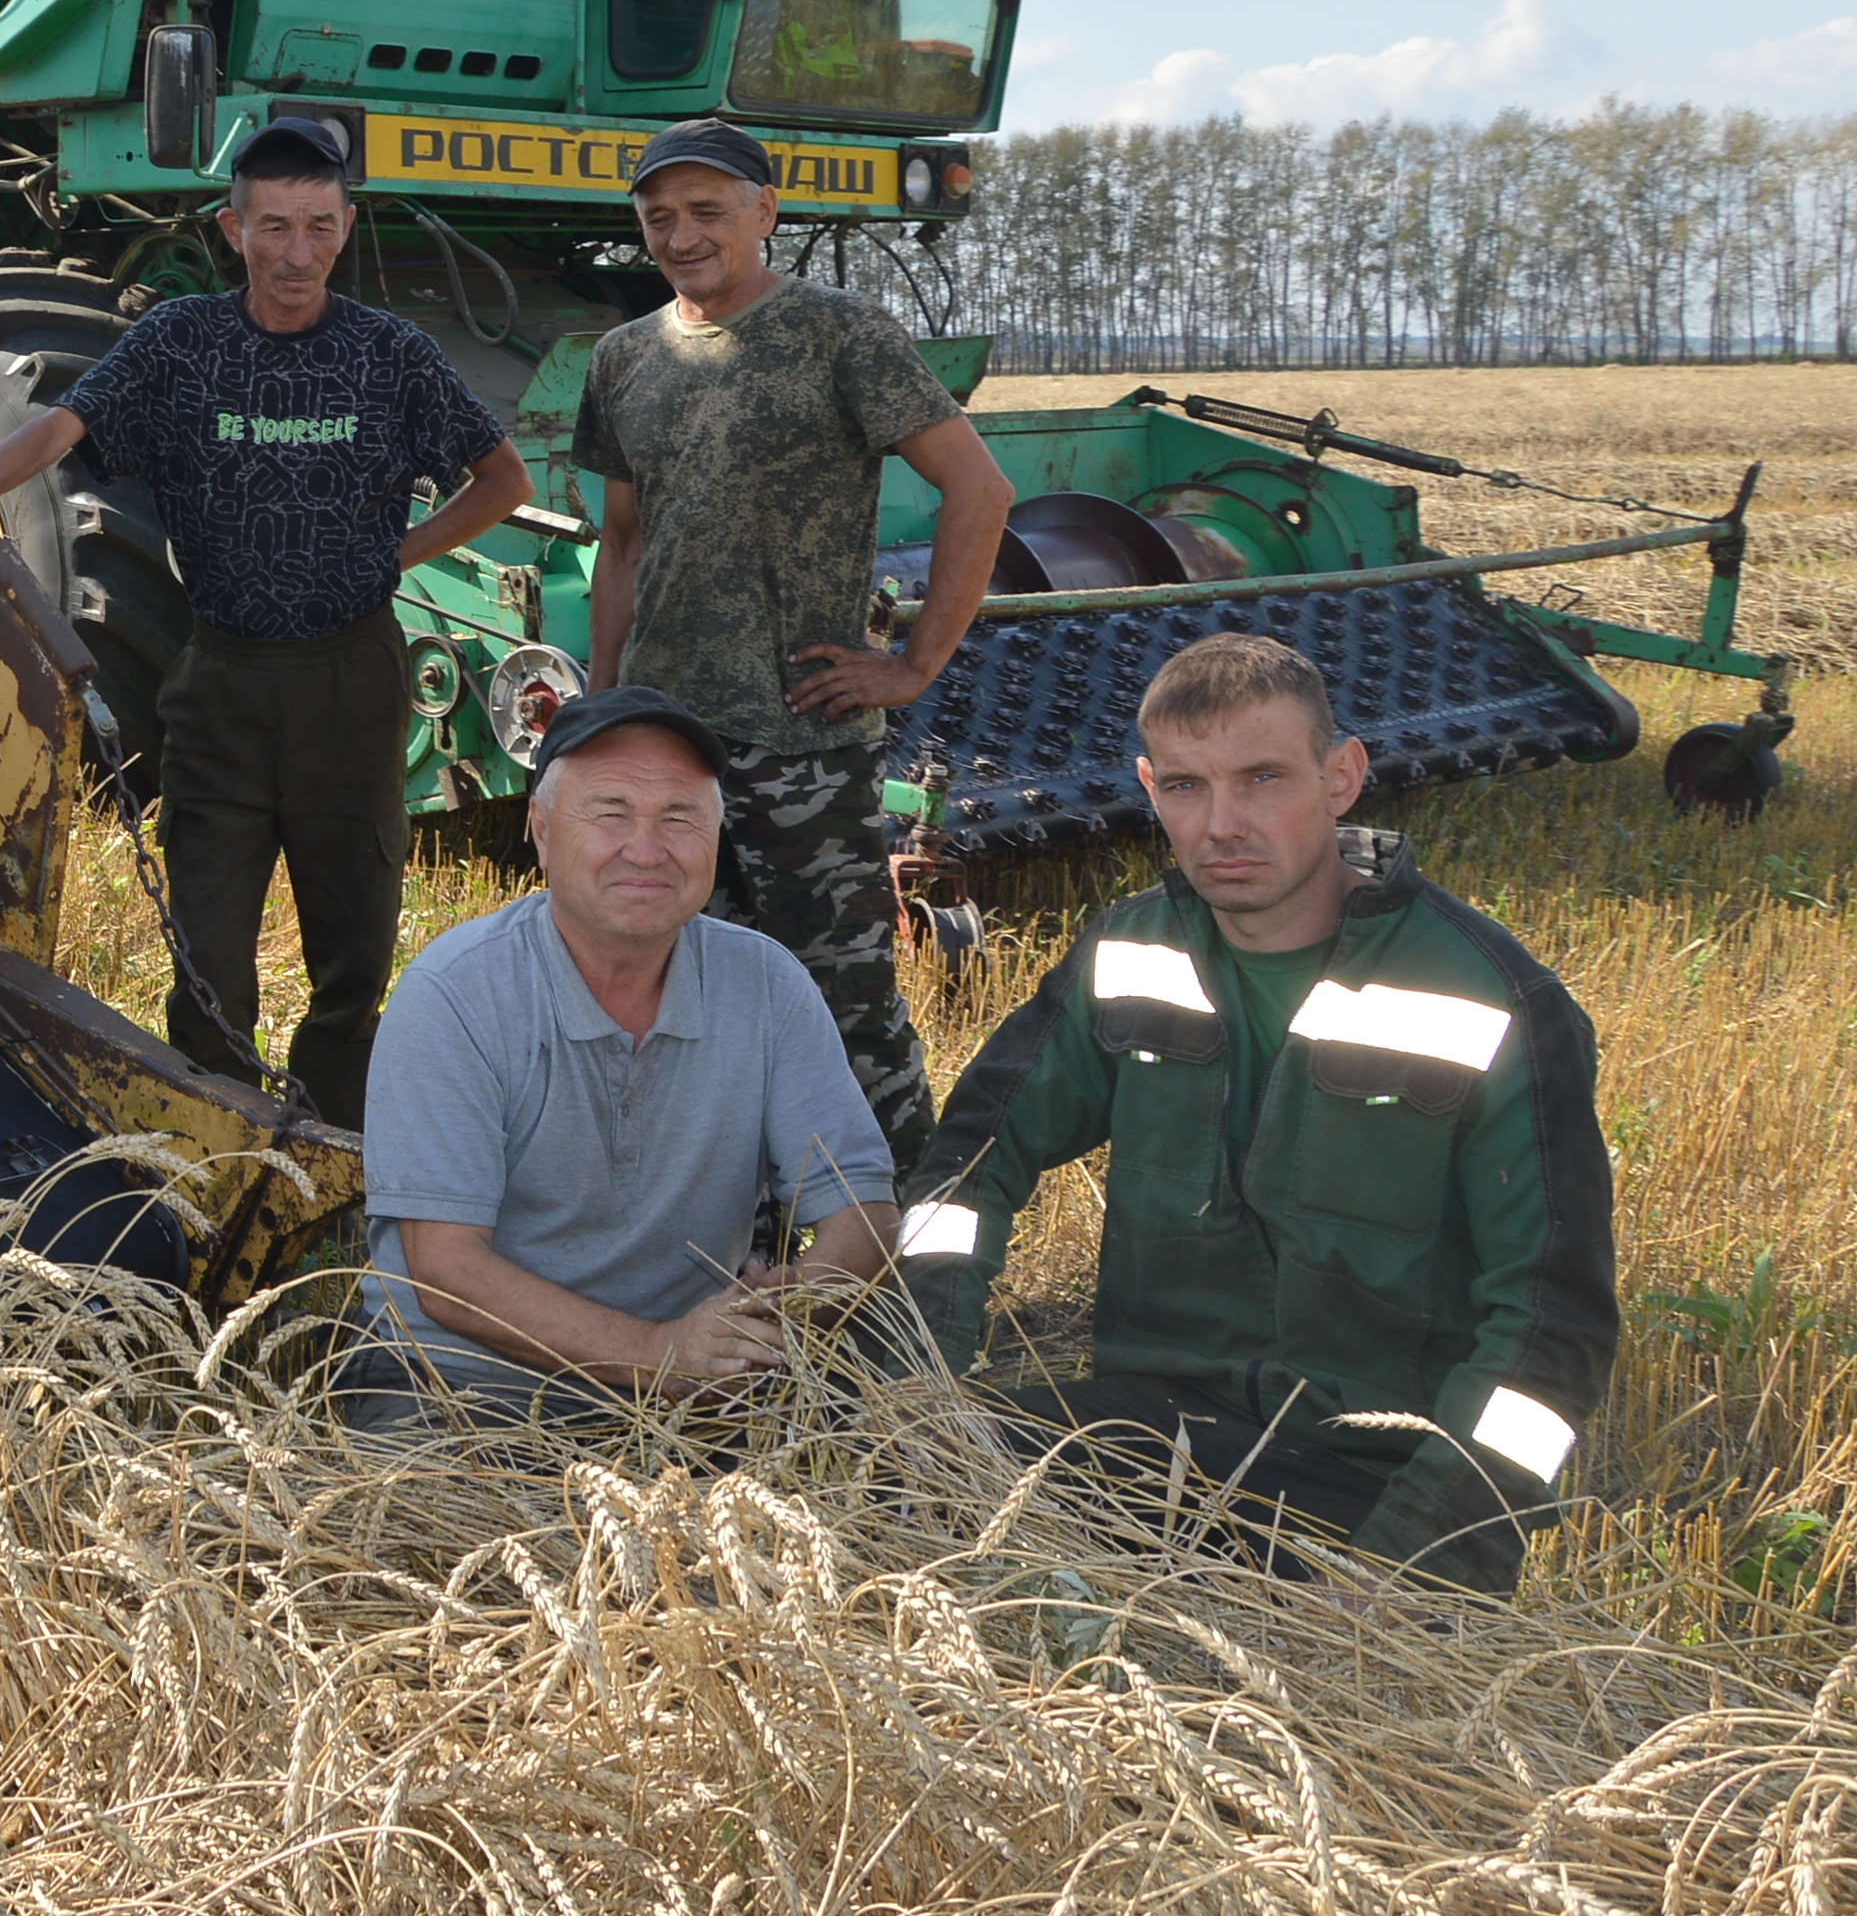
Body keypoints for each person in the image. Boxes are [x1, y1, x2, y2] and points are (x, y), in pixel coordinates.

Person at [902, 635, 1619, 1595]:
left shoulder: (1494, 999)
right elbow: (967, 1169)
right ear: (1149, 787)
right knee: (883, 1513)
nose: (1222, 825)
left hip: (1365, 1485)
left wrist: (1415, 1561)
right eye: (1188, 787)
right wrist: (925, 1382)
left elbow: (1551, 1325)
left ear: (1342, 778)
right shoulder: (1127, 953)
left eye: (1263, 778)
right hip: (1140, 1434)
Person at [0, 113, 528, 1123]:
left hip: (351, 685)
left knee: (353, 954)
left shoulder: (391, 354)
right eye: (274, 227)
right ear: (234, 230)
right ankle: (219, 1149)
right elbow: (61, 425)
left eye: (320, 227)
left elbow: (503, 478)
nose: (297, 253)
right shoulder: (181, 342)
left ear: (346, 226)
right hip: (223, 682)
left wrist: (397, 555)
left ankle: (339, 1158)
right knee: (208, 957)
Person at [573, 114, 1013, 1174]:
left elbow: (979, 490)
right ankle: (742, 1230)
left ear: (765, 214)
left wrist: (913, 667)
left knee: (846, 1013)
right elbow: (623, 544)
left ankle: (913, 1253)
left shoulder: (840, 333)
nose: (681, 234)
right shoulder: (624, 357)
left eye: (707, 211)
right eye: (658, 216)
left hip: (803, 746)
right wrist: (598, 708)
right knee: (683, 1006)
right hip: (669, 751)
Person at [357, 683, 898, 1417]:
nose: (646, 851)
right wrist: (656, 1353)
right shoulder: (455, 994)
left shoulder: (766, 984)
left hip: (690, 1396)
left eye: (680, 818)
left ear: (716, 836)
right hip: (463, 1386)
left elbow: (863, 1210)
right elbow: (446, 1274)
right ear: (542, 830)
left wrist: (777, 1318)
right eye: (611, 813)